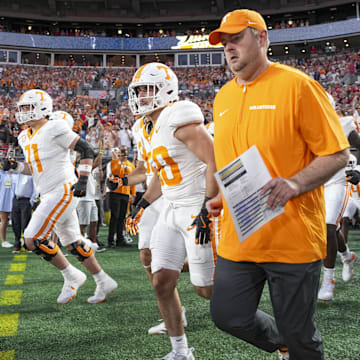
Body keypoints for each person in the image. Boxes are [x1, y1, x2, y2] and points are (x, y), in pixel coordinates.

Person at [206, 9, 349, 360]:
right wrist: (221, 199)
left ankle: (295, 345)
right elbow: (233, 162)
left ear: (262, 38)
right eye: (224, 42)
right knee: (228, 315)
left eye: (236, 38)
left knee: (301, 336)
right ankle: (282, 342)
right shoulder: (222, 97)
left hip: (292, 237)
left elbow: (337, 155)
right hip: (241, 235)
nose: (229, 47)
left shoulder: (298, 86)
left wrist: (295, 183)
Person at [126, 62, 218, 359]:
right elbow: (160, 174)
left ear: (166, 89)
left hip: (196, 207)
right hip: (171, 209)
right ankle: (181, 352)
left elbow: (216, 159)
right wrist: (141, 204)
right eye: (138, 90)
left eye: (147, 89)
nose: (141, 96)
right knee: (162, 281)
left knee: (206, 290)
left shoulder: (179, 115)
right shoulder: (144, 126)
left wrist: (207, 205)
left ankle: (279, 323)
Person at [3, 89, 117, 305]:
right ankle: (103, 280)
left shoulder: (54, 127)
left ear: (41, 107)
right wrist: (16, 166)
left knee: (33, 238)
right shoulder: (24, 135)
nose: (22, 111)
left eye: (27, 107)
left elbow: (86, 150)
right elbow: (34, 168)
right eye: (21, 107)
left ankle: (71, 276)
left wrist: (83, 179)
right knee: (72, 242)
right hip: (48, 191)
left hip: (63, 189)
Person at [318, 99, 360, 301]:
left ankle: (328, 280)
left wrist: (358, 170)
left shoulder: (343, 124)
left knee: (328, 226)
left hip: (337, 182)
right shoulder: (301, 126)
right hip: (315, 184)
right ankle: (347, 256)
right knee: (330, 230)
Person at [105, 145, 135, 247]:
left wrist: (133, 194)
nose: (125, 153)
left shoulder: (131, 165)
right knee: (115, 216)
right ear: (119, 153)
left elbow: (133, 180)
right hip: (115, 192)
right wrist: (118, 160)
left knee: (122, 217)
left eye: (126, 151)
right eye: (123, 151)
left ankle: (120, 240)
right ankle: (111, 240)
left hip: (125, 193)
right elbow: (116, 172)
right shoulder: (115, 162)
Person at [11, 173, 38, 253]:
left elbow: (35, 189)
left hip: (26, 200)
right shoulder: (17, 174)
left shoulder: (32, 174)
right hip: (16, 199)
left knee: (25, 223)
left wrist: (31, 201)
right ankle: (17, 244)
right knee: (15, 223)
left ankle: (27, 245)